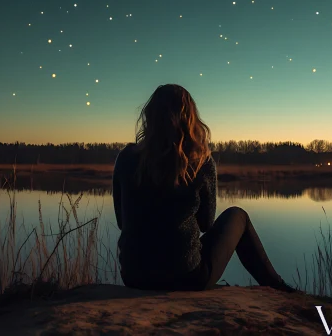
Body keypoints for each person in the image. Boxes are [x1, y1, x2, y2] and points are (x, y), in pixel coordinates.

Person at [112, 84, 295, 292]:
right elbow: (206, 223)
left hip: (134, 276)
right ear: (190, 118)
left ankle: (277, 288)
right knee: (238, 215)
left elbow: (121, 221)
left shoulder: (126, 157)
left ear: (149, 116)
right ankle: (278, 288)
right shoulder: (199, 162)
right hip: (186, 278)